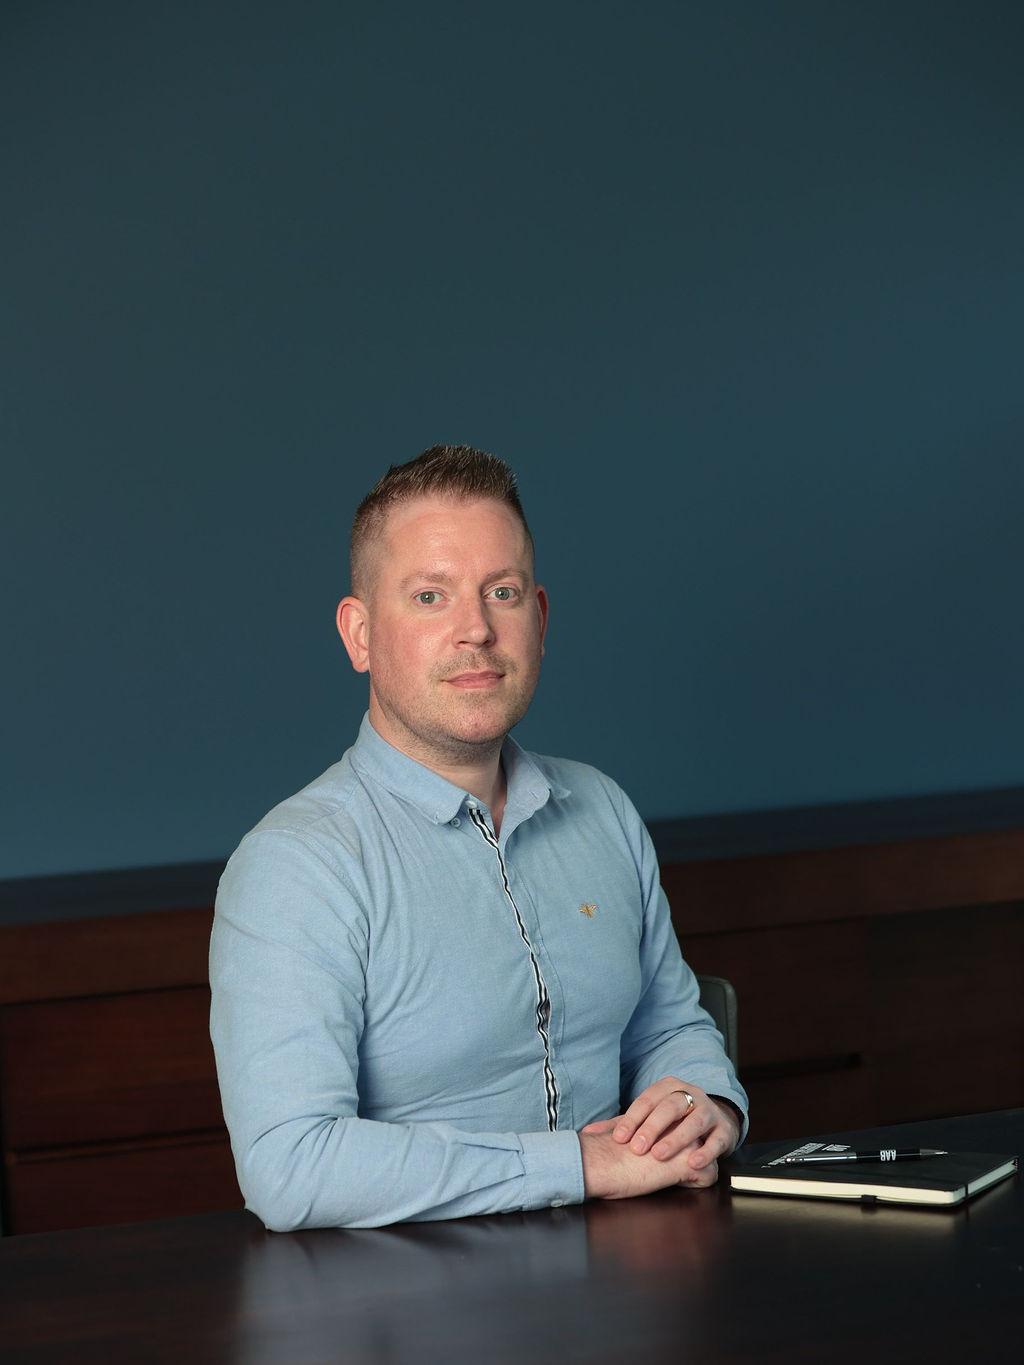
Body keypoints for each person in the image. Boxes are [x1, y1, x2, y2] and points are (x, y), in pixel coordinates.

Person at [209, 444, 748, 1230]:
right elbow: (290, 1165)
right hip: (409, 1291)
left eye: (502, 592)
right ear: (360, 634)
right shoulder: (297, 865)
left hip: (632, 1274)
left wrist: (708, 1104)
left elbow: (669, 1026)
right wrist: (578, 1165)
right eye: (430, 596)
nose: (476, 630)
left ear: (539, 618)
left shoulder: (602, 810)